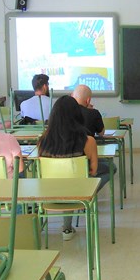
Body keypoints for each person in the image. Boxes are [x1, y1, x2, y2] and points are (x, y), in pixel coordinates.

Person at [37, 95, 101, 241]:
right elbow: (94, 171)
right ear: (77, 114)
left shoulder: (42, 141)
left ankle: (44, 227)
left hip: (48, 194)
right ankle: (68, 226)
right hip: (79, 194)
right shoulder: (88, 141)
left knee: (63, 182)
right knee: (80, 180)